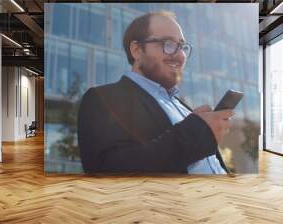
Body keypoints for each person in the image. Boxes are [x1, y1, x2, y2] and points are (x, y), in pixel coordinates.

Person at [78, 11, 235, 174]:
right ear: (137, 50)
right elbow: (106, 171)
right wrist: (195, 132)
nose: (180, 55)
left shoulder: (183, 107)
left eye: (182, 46)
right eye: (168, 43)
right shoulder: (104, 98)